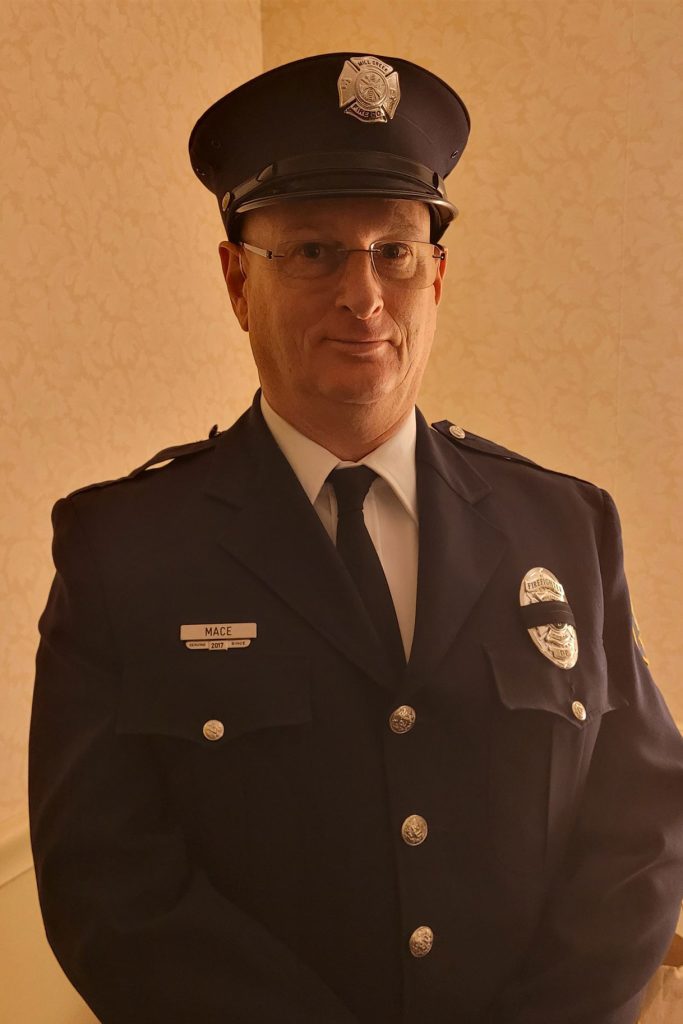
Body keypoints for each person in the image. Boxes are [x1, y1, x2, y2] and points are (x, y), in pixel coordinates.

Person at [30, 52, 683, 1024]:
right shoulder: (124, 552)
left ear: (437, 276)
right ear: (234, 281)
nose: (364, 295)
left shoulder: (566, 527)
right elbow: (110, 891)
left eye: (395, 251)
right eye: (312, 253)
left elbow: (639, 831)